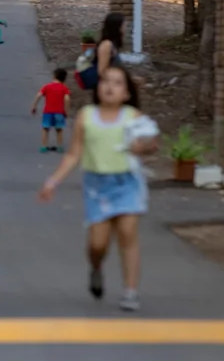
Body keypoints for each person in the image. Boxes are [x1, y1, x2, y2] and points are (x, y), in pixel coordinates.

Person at [39, 64, 158, 312]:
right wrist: (53, 181)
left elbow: (151, 142)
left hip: (127, 183)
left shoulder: (132, 116)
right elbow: (73, 155)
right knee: (98, 244)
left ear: (126, 93)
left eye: (117, 83)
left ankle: (131, 291)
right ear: (98, 87)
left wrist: (142, 147)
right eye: (106, 81)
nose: (110, 87)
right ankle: (96, 267)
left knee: (128, 234)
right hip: (97, 186)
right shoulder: (86, 116)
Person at [31, 68, 71, 153]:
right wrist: (66, 111)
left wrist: (34, 106)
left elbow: (39, 95)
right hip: (59, 112)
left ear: (54, 76)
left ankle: (44, 146)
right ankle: (59, 147)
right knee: (59, 129)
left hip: (48, 112)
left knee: (45, 129)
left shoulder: (47, 86)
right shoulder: (64, 88)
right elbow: (67, 99)